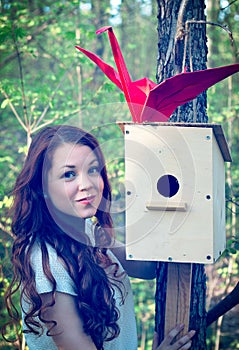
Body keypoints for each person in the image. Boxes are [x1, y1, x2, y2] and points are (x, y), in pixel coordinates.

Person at [4, 125, 195, 350]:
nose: (87, 184)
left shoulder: (87, 230)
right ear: (42, 186)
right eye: (69, 174)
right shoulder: (46, 262)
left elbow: (148, 267)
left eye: (93, 170)